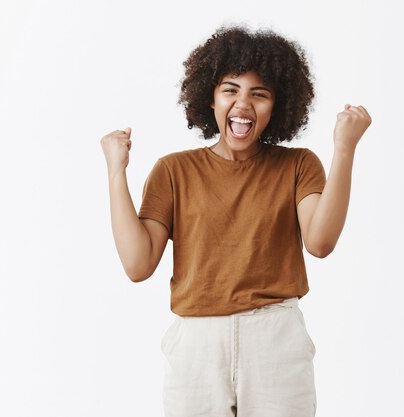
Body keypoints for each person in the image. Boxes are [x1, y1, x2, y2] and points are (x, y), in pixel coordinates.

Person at [100, 25, 371, 417]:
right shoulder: (174, 171)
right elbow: (138, 265)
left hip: (275, 340)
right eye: (230, 90)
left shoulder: (297, 165)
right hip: (196, 343)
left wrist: (344, 148)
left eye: (259, 94)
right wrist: (115, 171)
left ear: (277, 106)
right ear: (209, 99)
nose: (243, 104)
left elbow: (320, 242)